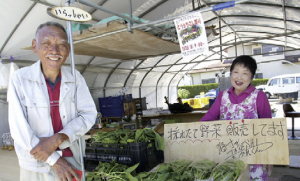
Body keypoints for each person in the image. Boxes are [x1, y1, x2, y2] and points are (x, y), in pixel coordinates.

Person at [8, 21, 97, 181]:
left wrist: (58, 138)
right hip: (35, 163)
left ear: (68, 49)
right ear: (35, 46)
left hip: (72, 160)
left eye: (61, 45)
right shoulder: (20, 79)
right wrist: (55, 160)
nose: (54, 51)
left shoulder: (75, 78)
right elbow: (19, 129)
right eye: (46, 43)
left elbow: (88, 115)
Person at [200, 55, 272, 181]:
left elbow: (268, 128)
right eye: (236, 72)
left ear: (251, 76)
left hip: (254, 158)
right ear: (230, 73)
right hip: (227, 157)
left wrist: (270, 157)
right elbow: (209, 117)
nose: (239, 77)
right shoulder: (223, 96)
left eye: (245, 73)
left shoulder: (259, 96)